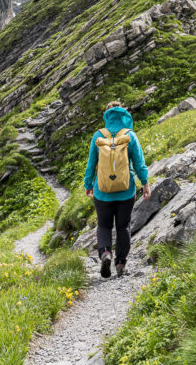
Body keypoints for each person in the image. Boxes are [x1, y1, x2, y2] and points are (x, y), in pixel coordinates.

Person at [83, 101, 150, 278]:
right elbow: (139, 163)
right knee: (123, 227)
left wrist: (88, 185)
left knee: (104, 225)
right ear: (123, 114)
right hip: (126, 191)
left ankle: (105, 253)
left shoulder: (98, 136)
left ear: (107, 116)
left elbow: (91, 165)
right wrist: (145, 183)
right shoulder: (130, 135)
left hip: (102, 191)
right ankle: (120, 263)